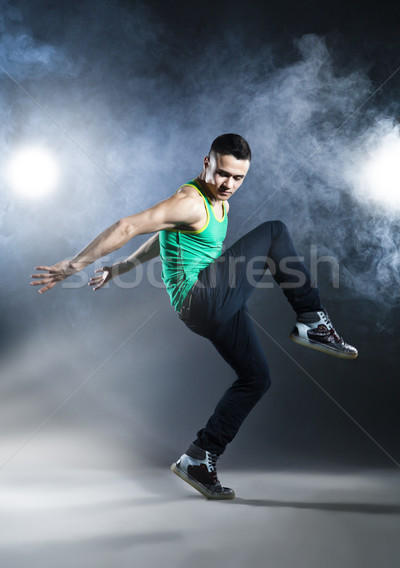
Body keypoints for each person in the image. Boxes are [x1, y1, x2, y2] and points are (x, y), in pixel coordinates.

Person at [30, 133, 358, 501]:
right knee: (275, 232)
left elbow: (162, 238)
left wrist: (119, 269)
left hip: (212, 305)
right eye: (222, 174)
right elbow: (128, 225)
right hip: (201, 299)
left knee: (256, 377)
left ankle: (199, 459)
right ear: (207, 163)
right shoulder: (190, 201)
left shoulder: (220, 205)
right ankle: (313, 320)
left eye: (238, 178)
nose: (228, 184)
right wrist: (74, 265)